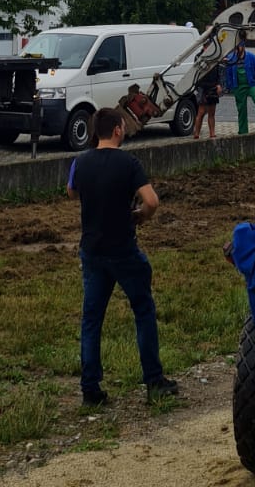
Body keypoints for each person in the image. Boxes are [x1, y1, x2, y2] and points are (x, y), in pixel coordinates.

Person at [67, 105, 178, 406]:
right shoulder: (129, 163)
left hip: (92, 250)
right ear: (117, 130)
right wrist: (140, 215)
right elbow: (151, 201)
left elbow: (71, 191)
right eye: (123, 127)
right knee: (143, 311)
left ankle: (90, 389)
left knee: (92, 319)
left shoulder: (81, 161)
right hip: (124, 250)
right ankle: (153, 380)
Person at [224, 33, 255, 136]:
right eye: (236, 47)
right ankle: (243, 132)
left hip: (252, 85)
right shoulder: (231, 58)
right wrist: (231, 87)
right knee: (241, 109)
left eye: (239, 47)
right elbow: (228, 73)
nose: (237, 49)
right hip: (238, 86)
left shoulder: (251, 57)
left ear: (243, 47)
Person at [193, 62, 221, 140]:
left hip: (213, 86)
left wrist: (218, 84)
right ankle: (196, 134)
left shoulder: (215, 58)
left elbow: (218, 73)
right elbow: (197, 72)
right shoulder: (199, 57)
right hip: (202, 87)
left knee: (211, 113)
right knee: (201, 112)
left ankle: (212, 134)